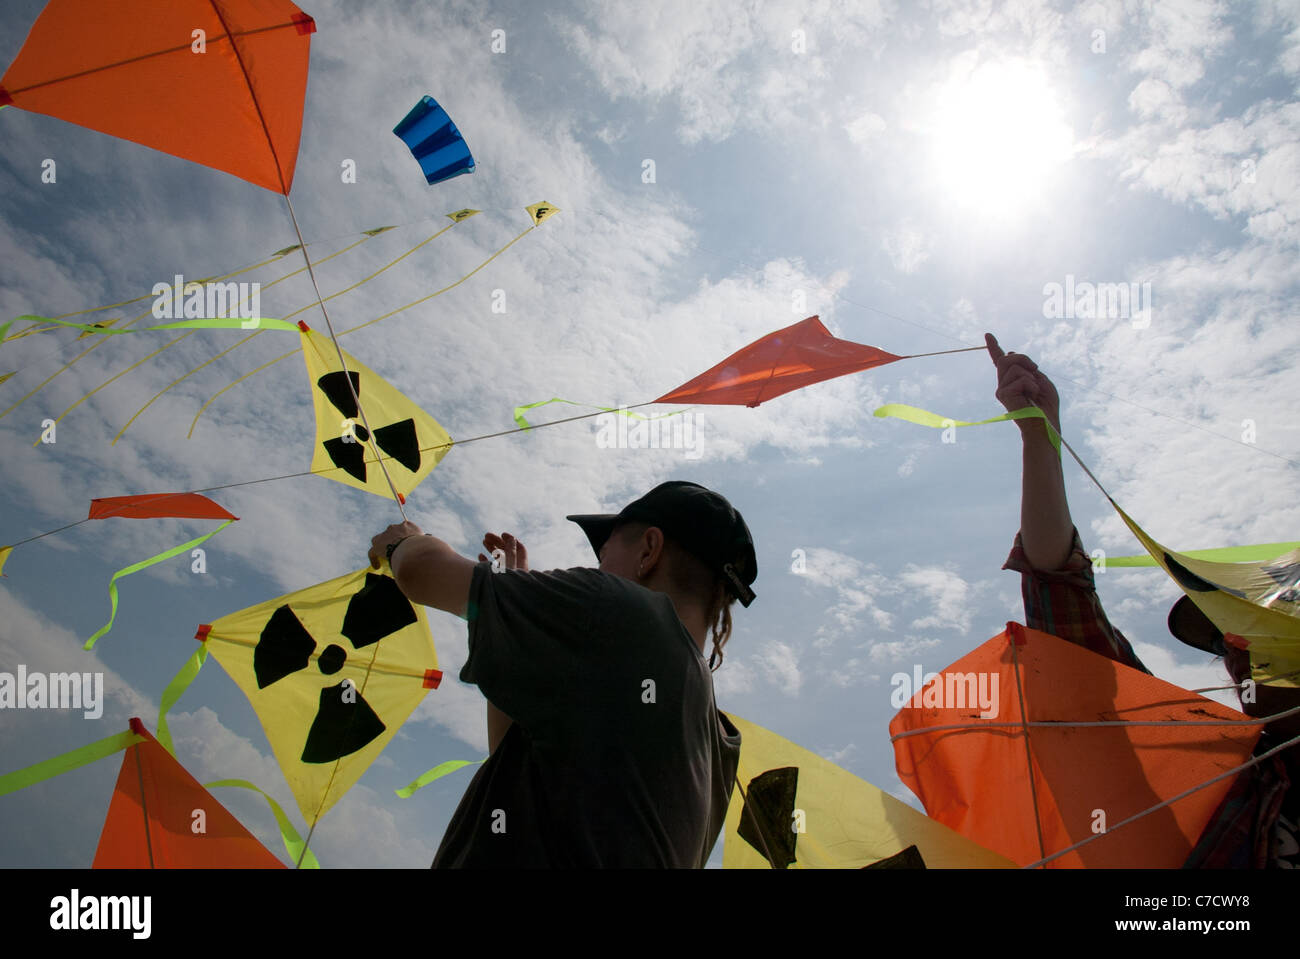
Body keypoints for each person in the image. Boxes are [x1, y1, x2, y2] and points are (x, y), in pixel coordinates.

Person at [987, 332, 1299, 867]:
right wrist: (1041, 439)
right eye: (1224, 639)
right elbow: (1072, 624)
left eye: (1256, 625)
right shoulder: (1220, 784)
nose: (1233, 652)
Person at [367, 480, 757, 867]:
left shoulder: (623, 614)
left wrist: (403, 541)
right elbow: (513, 759)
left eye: (604, 556)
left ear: (649, 551)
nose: (597, 568)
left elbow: (421, 571)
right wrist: (516, 614)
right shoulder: (717, 741)